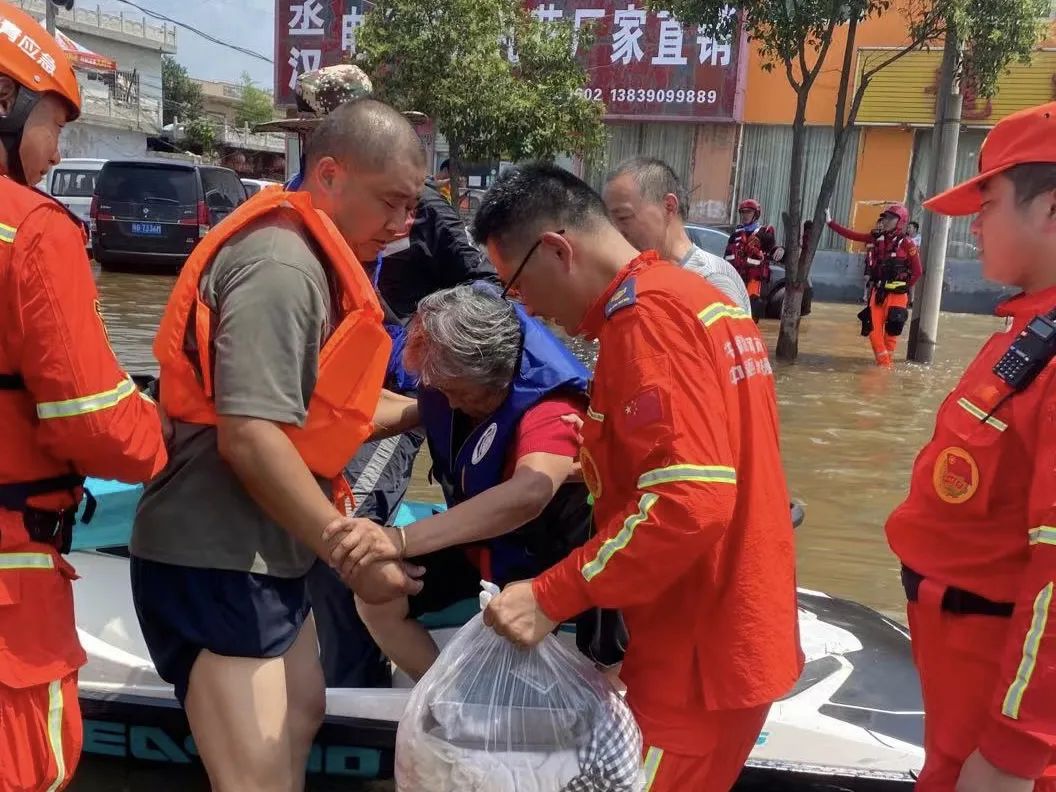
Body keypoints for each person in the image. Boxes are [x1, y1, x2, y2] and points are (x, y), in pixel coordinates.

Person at [472, 162, 802, 791]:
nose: (527, 308)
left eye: (517, 286)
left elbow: (688, 501)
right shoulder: (696, 298)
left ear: (557, 250)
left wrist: (550, 596)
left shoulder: (647, 322)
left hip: (696, 658)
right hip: (723, 634)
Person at [130, 99, 428, 792]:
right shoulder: (281, 266)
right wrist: (351, 555)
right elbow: (252, 437)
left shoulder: (317, 262)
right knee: (257, 776)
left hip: (267, 556)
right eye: (390, 202)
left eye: (411, 207)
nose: (401, 225)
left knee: (301, 711)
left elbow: (332, 410)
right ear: (329, 176)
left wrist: (442, 409)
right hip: (217, 558)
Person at [268, 66, 501, 689]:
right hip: (318, 399)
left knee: (350, 539)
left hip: (393, 392)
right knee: (303, 527)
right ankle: (313, 662)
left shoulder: (416, 206)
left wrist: (430, 340)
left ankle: (356, 685)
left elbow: (488, 286)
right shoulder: (292, 206)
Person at [0, 5, 169, 789]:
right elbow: (95, 423)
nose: (57, 151)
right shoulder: (32, 230)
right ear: (7, 102)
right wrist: (168, 431)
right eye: (55, 125)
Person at [885, 101, 1056, 792]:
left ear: (1051, 210)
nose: (974, 225)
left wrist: (1014, 751)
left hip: (1003, 718)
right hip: (964, 688)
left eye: (988, 205)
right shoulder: (1029, 329)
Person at [326, 284, 593, 681]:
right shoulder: (452, 392)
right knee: (377, 591)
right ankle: (447, 692)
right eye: (442, 391)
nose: (450, 403)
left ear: (495, 378)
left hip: (548, 560)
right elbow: (400, 411)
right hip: (481, 549)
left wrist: (400, 540)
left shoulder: (550, 407)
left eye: (459, 393)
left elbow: (530, 492)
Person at [602, 156, 751, 315]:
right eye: (609, 221)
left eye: (623, 217)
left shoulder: (711, 279)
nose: (615, 231)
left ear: (669, 207)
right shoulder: (632, 280)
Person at [827, 204, 922, 367]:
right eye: (886, 218)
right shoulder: (876, 238)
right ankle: (884, 366)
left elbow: (917, 271)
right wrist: (830, 223)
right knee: (872, 330)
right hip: (878, 293)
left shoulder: (907, 243)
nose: (886, 221)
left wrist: (905, 288)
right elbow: (853, 235)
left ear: (900, 221)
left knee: (891, 335)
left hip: (898, 296)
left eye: (891, 218)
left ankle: (884, 370)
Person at [724, 198, 773, 320]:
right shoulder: (735, 235)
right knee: (732, 313)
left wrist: (780, 251)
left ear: (756, 214)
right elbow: (726, 258)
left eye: (748, 212)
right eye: (743, 212)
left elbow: (772, 250)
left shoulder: (764, 233)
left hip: (754, 280)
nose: (745, 215)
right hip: (736, 279)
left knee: (751, 313)